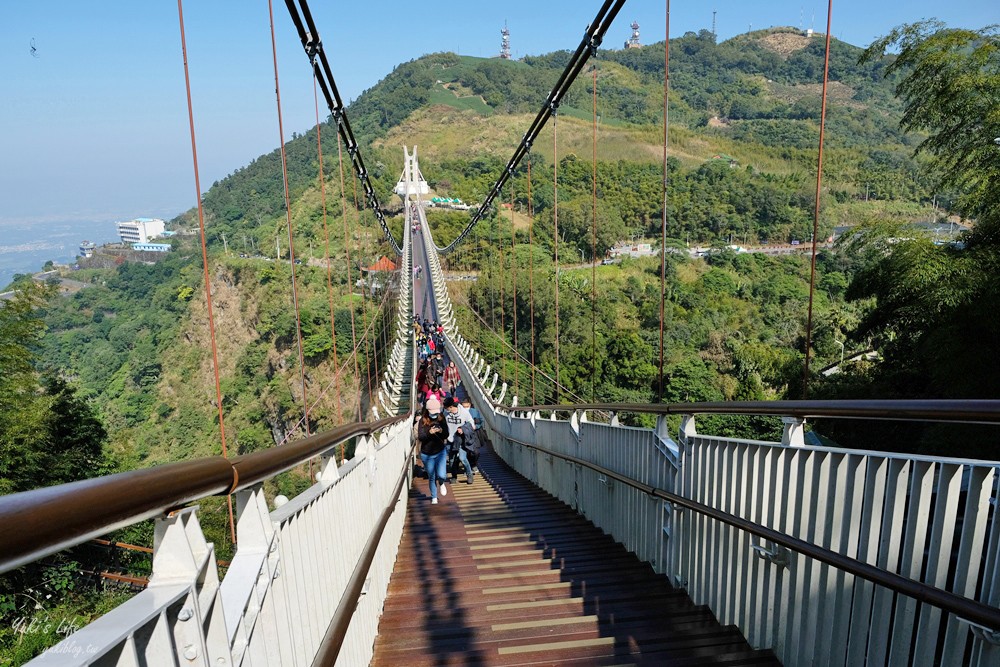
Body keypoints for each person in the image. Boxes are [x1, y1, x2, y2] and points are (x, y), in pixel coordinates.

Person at [418, 397, 449, 503]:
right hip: (426, 453)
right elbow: (420, 437)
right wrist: (428, 432)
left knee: (442, 475)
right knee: (432, 476)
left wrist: (441, 431)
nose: (434, 415)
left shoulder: (441, 418)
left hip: (440, 451)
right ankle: (434, 497)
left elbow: (447, 434)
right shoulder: (423, 420)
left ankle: (441, 482)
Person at [443, 396, 476, 484]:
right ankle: (454, 477)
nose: (445, 409)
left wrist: (463, 428)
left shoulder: (464, 412)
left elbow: (472, 424)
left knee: (462, 458)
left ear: (451, 407)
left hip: (461, 439)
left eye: (446, 408)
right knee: (452, 460)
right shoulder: (445, 413)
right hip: (450, 440)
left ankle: (469, 474)